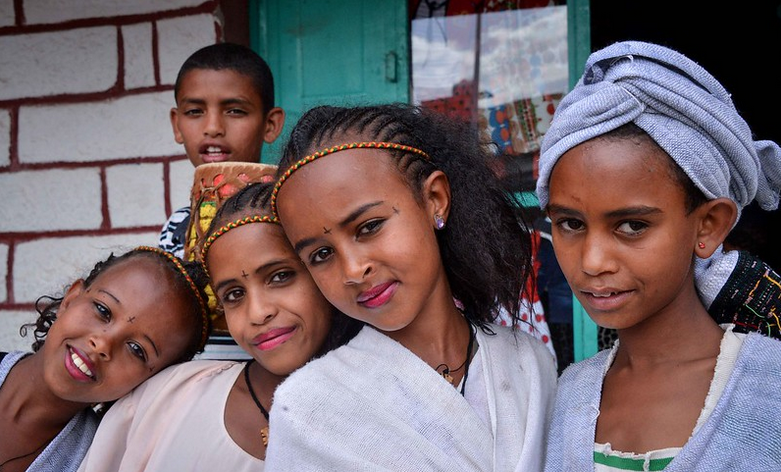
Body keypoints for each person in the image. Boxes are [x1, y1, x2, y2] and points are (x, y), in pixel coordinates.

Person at [265, 103, 558, 470]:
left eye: (369, 227)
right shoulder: (308, 411)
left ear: (434, 200)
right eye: (321, 254)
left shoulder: (528, 363)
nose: (353, 270)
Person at [536, 41, 781, 471]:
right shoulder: (567, 396)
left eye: (632, 226)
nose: (592, 261)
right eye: (571, 224)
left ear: (708, 226)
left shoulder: (771, 391)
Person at [77, 182, 363, 471]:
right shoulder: (166, 399)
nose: (258, 313)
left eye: (280, 276)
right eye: (234, 295)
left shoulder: (377, 410)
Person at [0, 246, 210, 472]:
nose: (102, 344)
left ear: (149, 382)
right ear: (71, 299)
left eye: (136, 350)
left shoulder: (101, 463)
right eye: (103, 311)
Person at [159, 42, 285, 260]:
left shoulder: (291, 214)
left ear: (270, 124)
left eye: (235, 111)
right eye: (195, 111)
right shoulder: (177, 228)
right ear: (177, 125)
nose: (213, 127)